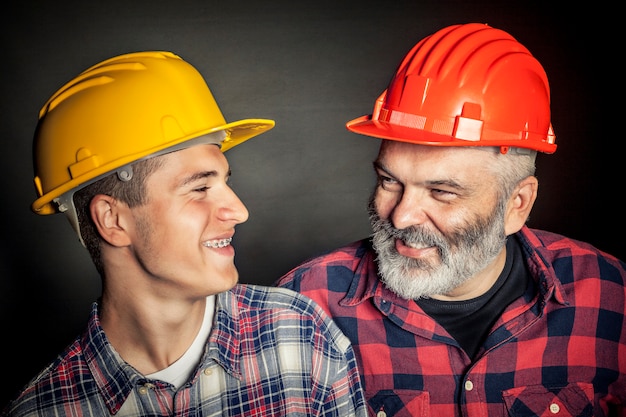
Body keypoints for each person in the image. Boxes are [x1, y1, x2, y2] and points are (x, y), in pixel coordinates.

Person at [276, 23, 626, 416]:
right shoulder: (304, 305)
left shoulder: (610, 294)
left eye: (442, 192)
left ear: (518, 204)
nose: (403, 216)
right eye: (389, 181)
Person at [2, 51, 367, 417]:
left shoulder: (301, 334)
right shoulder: (42, 410)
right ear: (112, 220)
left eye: (224, 182)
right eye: (198, 189)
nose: (239, 212)